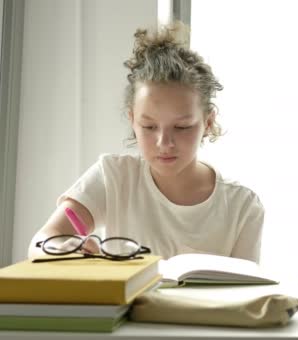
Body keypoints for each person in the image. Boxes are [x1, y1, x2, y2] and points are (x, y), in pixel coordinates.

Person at [28, 22, 264, 262]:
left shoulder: (242, 206)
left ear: (208, 122)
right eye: (149, 126)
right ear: (132, 119)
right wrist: (69, 251)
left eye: (182, 127)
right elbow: (42, 240)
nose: (164, 142)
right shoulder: (114, 177)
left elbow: (249, 292)